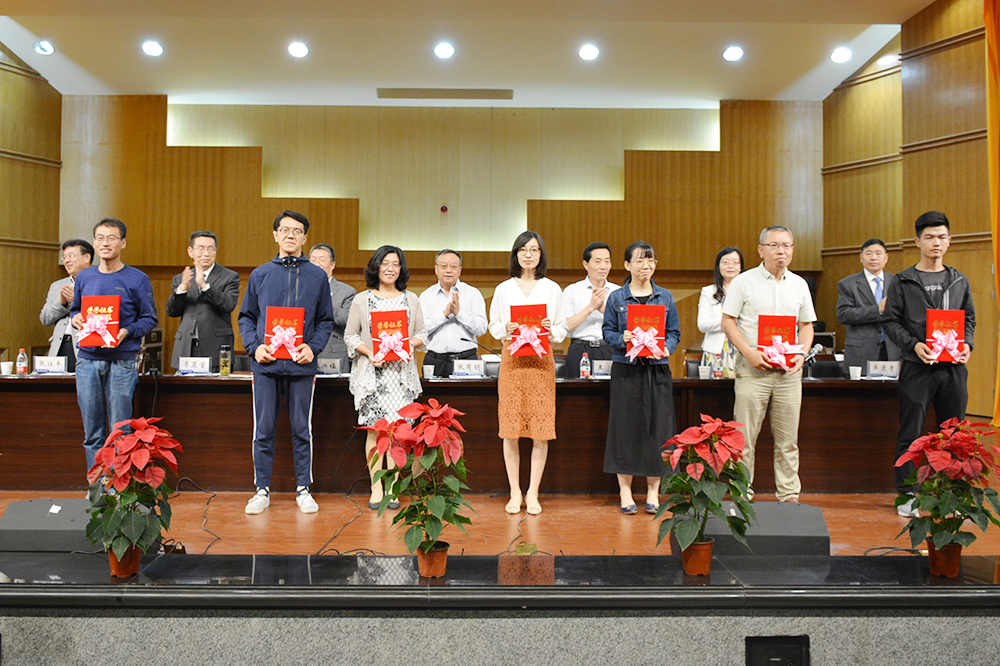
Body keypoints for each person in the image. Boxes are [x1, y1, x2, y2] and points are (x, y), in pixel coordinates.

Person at [237, 210, 335, 515]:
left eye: (297, 231)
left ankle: (303, 488)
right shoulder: (260, 274)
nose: (290, 235)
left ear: (305, 238)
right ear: (275, 235)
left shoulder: (317, 276)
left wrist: (313, 348)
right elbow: (246, 317)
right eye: (285, 230)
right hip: (265, 365)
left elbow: (325, 320)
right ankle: (261, 490)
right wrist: (254, 348)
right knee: (263, 428)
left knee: (301, 428)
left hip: (301, 365)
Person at [883, 211, 975, 518]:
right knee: (911, 432)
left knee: (955, 433)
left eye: (941, 237)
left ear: (949, 241)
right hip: (917, 366)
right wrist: (914, 344)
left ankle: (953, 494)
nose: (936, 242)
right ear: (917, 241)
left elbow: (969, 319)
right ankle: (907, 494)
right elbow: (890, 321)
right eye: (930, 237)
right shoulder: (903, 280)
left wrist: (967, 344)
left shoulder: (959, 280)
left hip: (953, 369)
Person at [720, 225, 815, 503]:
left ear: (792, 250)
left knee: (788, 442)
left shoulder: (799, 284)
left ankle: (789, 496)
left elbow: (806, 326)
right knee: (744, 440)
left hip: (788, 374)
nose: (780, 251)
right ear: (761, 250)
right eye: (774, 245)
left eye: (786, 246)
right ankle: (741, 494)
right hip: (753, 371)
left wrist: (802, 354)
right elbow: (728, 322)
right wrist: (749, 353)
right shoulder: (743, 282)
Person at [488, 231, 568, 515]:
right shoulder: (503, 289)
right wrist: (505, 329)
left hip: (541, 362)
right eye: (522, 250)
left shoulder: (552, 288)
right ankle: (514, 491)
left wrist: (550, 329)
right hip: (512, 362)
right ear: (515, 254)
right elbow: (493, 326)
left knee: (540, 431)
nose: (528, 255)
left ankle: (533, 492)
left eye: (534, 250)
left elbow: (562, 328)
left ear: (541, 254)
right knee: (510, 430)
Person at [69, 219, 158, 472]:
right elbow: (76, 309)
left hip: (122, 361)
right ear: (94, 242)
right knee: (92, 433)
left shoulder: (137, 279)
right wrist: (75, 317)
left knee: (120, 432)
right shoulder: (84, 276)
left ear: (123, 243)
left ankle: (119, 487)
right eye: (100, 238)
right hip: (87, 360)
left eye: (111, 238)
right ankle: (97, 486)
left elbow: (150, 318)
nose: (105, 243)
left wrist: (127, 331)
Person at [345, 245, 426, 510]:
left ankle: (392, 486)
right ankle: (376, 486)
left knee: (398, 434)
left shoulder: (411, 299)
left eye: (395, 264)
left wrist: (408, 344)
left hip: (400, 377)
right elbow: (350, 335)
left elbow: (422, 334)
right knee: (375, 431)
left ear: (401, 269)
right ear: (376, 267)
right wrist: (369, 352)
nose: (390, 269)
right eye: (385, 263)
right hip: (373, 376)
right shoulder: (362, 299)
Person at [602, 241, 680, 514]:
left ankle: (653, 492)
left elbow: (674, 333)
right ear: (627, 265)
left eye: (650, 260)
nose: (645, 266)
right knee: (624, 429)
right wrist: (621, 338)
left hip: (657, 369)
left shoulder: (665, 297)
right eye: (639, 260)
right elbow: (607, 332)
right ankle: (625, 492)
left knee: (658, 429)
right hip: (626, 370)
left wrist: (667, 347)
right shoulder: (616, 298)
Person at [166, 230, 240, 373]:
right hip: (186, 347)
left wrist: (205, 287)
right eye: (201, 248)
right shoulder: (180, 278)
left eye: (210, 249)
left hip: (216, 347)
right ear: (190, 251)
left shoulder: (230, 277)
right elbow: (172, 311)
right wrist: (182, 289)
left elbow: (228, 305)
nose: (206, 253)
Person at [419, 249, 488, 378]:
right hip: (435, 360)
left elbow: (481, 329)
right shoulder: (426, 296)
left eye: (453, 266)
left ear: (460, 270)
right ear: (436, 269)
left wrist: (459, 313)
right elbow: (421, 330)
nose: (448, 270)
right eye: (444, 266)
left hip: (466, 360)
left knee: (469, 392)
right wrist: (444, 315)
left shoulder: (473, 294)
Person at [836, 238, 900, 377]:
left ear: (886, 258)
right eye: (869, 253)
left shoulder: (897, 282)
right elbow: (844, 314)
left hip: (892, 351)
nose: (873, 257)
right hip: (861, 353)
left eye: (878, 253)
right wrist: (877, 310)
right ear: (861, 257)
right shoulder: (848, 284)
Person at [562, 242, 619, 378]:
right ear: (585, 264)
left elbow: (626, 326)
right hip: (579, 349)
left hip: (609, 349)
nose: (603, 266)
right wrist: (590, 307)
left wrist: (605, 311)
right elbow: (565, 326)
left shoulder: (618, 292)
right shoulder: (572, 291)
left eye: (607, 261)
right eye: (598, 262)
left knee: (610, 391)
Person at [40, 239, 94, 373]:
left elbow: (102, 316)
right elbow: (45, 319)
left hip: (85, 348)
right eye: (64, 257)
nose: (66, 261)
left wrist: (76, 301)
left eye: (71, 256)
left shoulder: (98, 283)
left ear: (87, 257)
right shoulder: (57, 286)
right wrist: (61, 304)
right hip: (59, 346)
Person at [309, 243, 356, 372]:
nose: (317, 264)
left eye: (322, 260)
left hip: (332, 354)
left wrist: (323, 305)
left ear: (333, 264)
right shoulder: (299, 289)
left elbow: (348, 319)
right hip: (303, 353)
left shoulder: (347, 291)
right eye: (313, 260)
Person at [697, 246, 744, 377]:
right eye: (725, 262)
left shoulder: (748, 292)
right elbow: (702, 325)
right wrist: (729, 321)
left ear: (740, 267)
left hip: (742, 350)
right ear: (718, 266)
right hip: (715, 351)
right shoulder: (708, 292)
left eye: (735, 262)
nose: (730, 266)